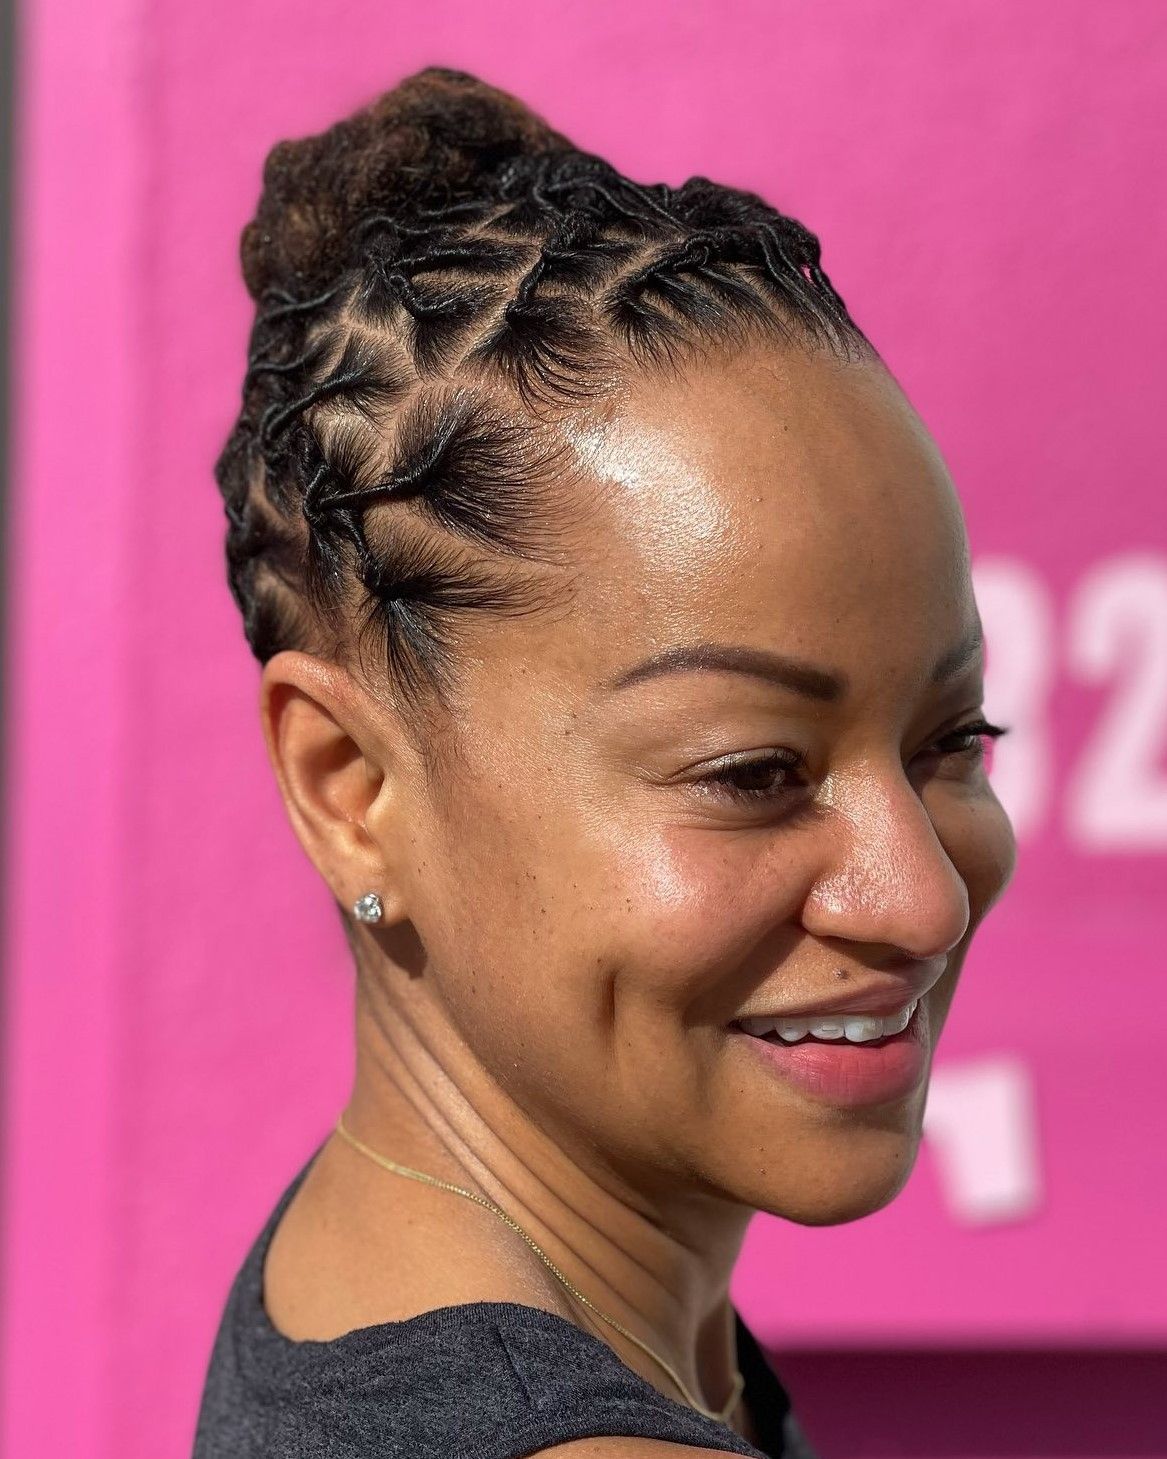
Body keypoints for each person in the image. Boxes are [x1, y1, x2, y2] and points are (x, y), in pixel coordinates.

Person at [192, 66, 1017, 1459]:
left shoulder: (366, 1274)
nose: (922, 900)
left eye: (954, 740)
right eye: (753, 772)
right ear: (352, 788)